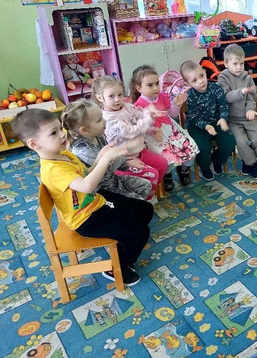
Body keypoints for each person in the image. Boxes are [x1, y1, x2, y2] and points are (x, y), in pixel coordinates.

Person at [11, 109, 154, 286]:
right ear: (34, 144)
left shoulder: (64, 155)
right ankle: (116, 266)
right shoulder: (53, 169)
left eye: (60, 129)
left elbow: (86, 173)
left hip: (95, 202)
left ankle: (123, 243)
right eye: (53, 133)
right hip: (85, 218)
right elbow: (87, 186)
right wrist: (106, 159)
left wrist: (100, 157)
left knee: (145, 210)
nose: (62, 135)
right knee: (140, 232)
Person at [62, 99, 154, 202]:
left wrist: (125, 162)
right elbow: (108, 167)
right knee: (139, 204)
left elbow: (112, 157)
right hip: (102, 192)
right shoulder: (82, 150)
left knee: (145, 186)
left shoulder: (98, 136)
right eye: (99, 120)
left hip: (113, 180)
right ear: (84, 130)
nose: (105, 121)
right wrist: (124, 153)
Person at [92, 76, 170, 192]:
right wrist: (149, 118)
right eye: (111, 96)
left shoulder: (125, 106)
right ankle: (146, 195)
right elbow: (131, 132)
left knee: (162, 164)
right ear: (99, 97)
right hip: (123, 160)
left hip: (138, 151)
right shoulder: (109, 119)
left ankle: (150, 191)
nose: (117, 100)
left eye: (120, 95)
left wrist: (149, 115)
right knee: (152, 174)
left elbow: (138, 115)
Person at [130, 65, 198, 187]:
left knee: (191, 148)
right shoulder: (137, 106)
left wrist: (176, 105)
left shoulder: (162, 96)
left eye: (157, 83)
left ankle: (184, 170)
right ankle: (168, 175)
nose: (156, 88)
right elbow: (140, 127)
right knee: (166, 157)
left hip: (170, 129)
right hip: (153, 135)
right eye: (150, 85)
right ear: (138, 88)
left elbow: (172, 114)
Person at [180, 60, 235, 181]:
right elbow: (193, 117)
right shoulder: (190, 95)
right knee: (202, 147)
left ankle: (216, 160)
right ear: (187, 83)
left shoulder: (216, 88)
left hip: (216, 122)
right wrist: (206, 126)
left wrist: (223, 118)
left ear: (205, 72)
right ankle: (204, 167)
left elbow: (223, 105)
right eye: (194, 80)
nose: (201, 81)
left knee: (229, 142)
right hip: (198, 126)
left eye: (201, 76)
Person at [218, 44, 257, 179]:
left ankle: (247, 162)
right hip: (232, 119)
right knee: (241, 140)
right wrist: (241, 92)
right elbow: (226, 97)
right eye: (235, 64)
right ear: (226, 63)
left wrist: (250, 109)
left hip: (247, 117)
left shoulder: (247, 78)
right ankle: (252, 164)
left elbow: (251, 98)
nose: (239, 67)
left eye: (241, 63)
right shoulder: (222, 78)